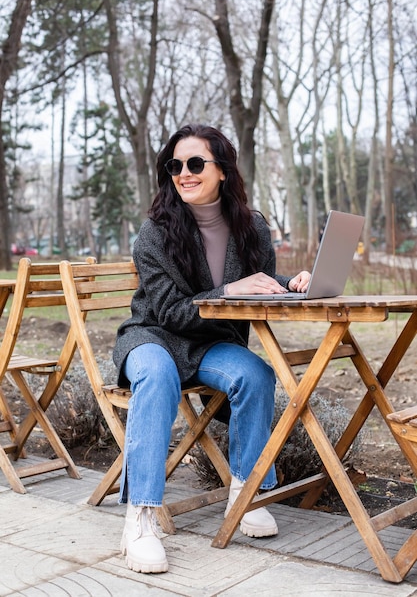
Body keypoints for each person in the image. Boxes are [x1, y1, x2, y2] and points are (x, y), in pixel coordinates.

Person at [113, 124, 310, 574]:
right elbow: (168, 313)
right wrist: (229, 290)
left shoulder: (253, 226)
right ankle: (140, 518)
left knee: (256, 374)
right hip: (153, 336)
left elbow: (252, 288)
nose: (184, 173)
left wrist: (290, 285)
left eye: (196, 164)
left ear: (222, 170)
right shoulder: (154, 234)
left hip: (208, 344)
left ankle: (245, 491)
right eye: (176, 165)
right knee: (158, 375)